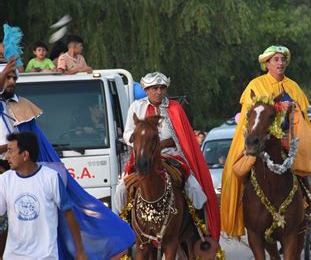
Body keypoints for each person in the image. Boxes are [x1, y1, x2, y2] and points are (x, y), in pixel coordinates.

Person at [0, 59, 135, 259]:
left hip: (16, 170)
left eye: (13, 77)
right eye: (7, 77)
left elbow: (34, 146)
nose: (11, 81)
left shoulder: (21, 107)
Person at [221, 45, 311, 239]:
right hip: (263, 139)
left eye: (283, 60)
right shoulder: (255, 85)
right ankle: (238, 214)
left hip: (291, 139)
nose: (280, 63)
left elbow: (302, 115)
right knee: (237, 171)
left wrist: (293, 108)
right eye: (276, 60)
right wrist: (279, 106)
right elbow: (251, 114)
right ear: (267, 64)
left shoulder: (293, 86)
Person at [118, 71, 220, 241]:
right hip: (143, 159)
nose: (159, 91)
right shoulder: (136, 107)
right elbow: (128, 133)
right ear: (146, 90)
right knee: (120, 191)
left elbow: (182, 137)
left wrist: (161, 144)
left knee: (196, 190)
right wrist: (140, 140)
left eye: (162, 88)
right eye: (155, 88)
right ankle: (125, 230)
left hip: (171, 158)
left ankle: (200, 232)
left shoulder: (175, 108)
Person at [0, 132, 86, 259]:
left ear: (25, 155)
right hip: (14, 256)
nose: (6, 157)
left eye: (10, 151)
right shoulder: (4, 180)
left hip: (45, 256)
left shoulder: (51, 178)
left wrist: (80, 252)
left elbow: (69, 214)